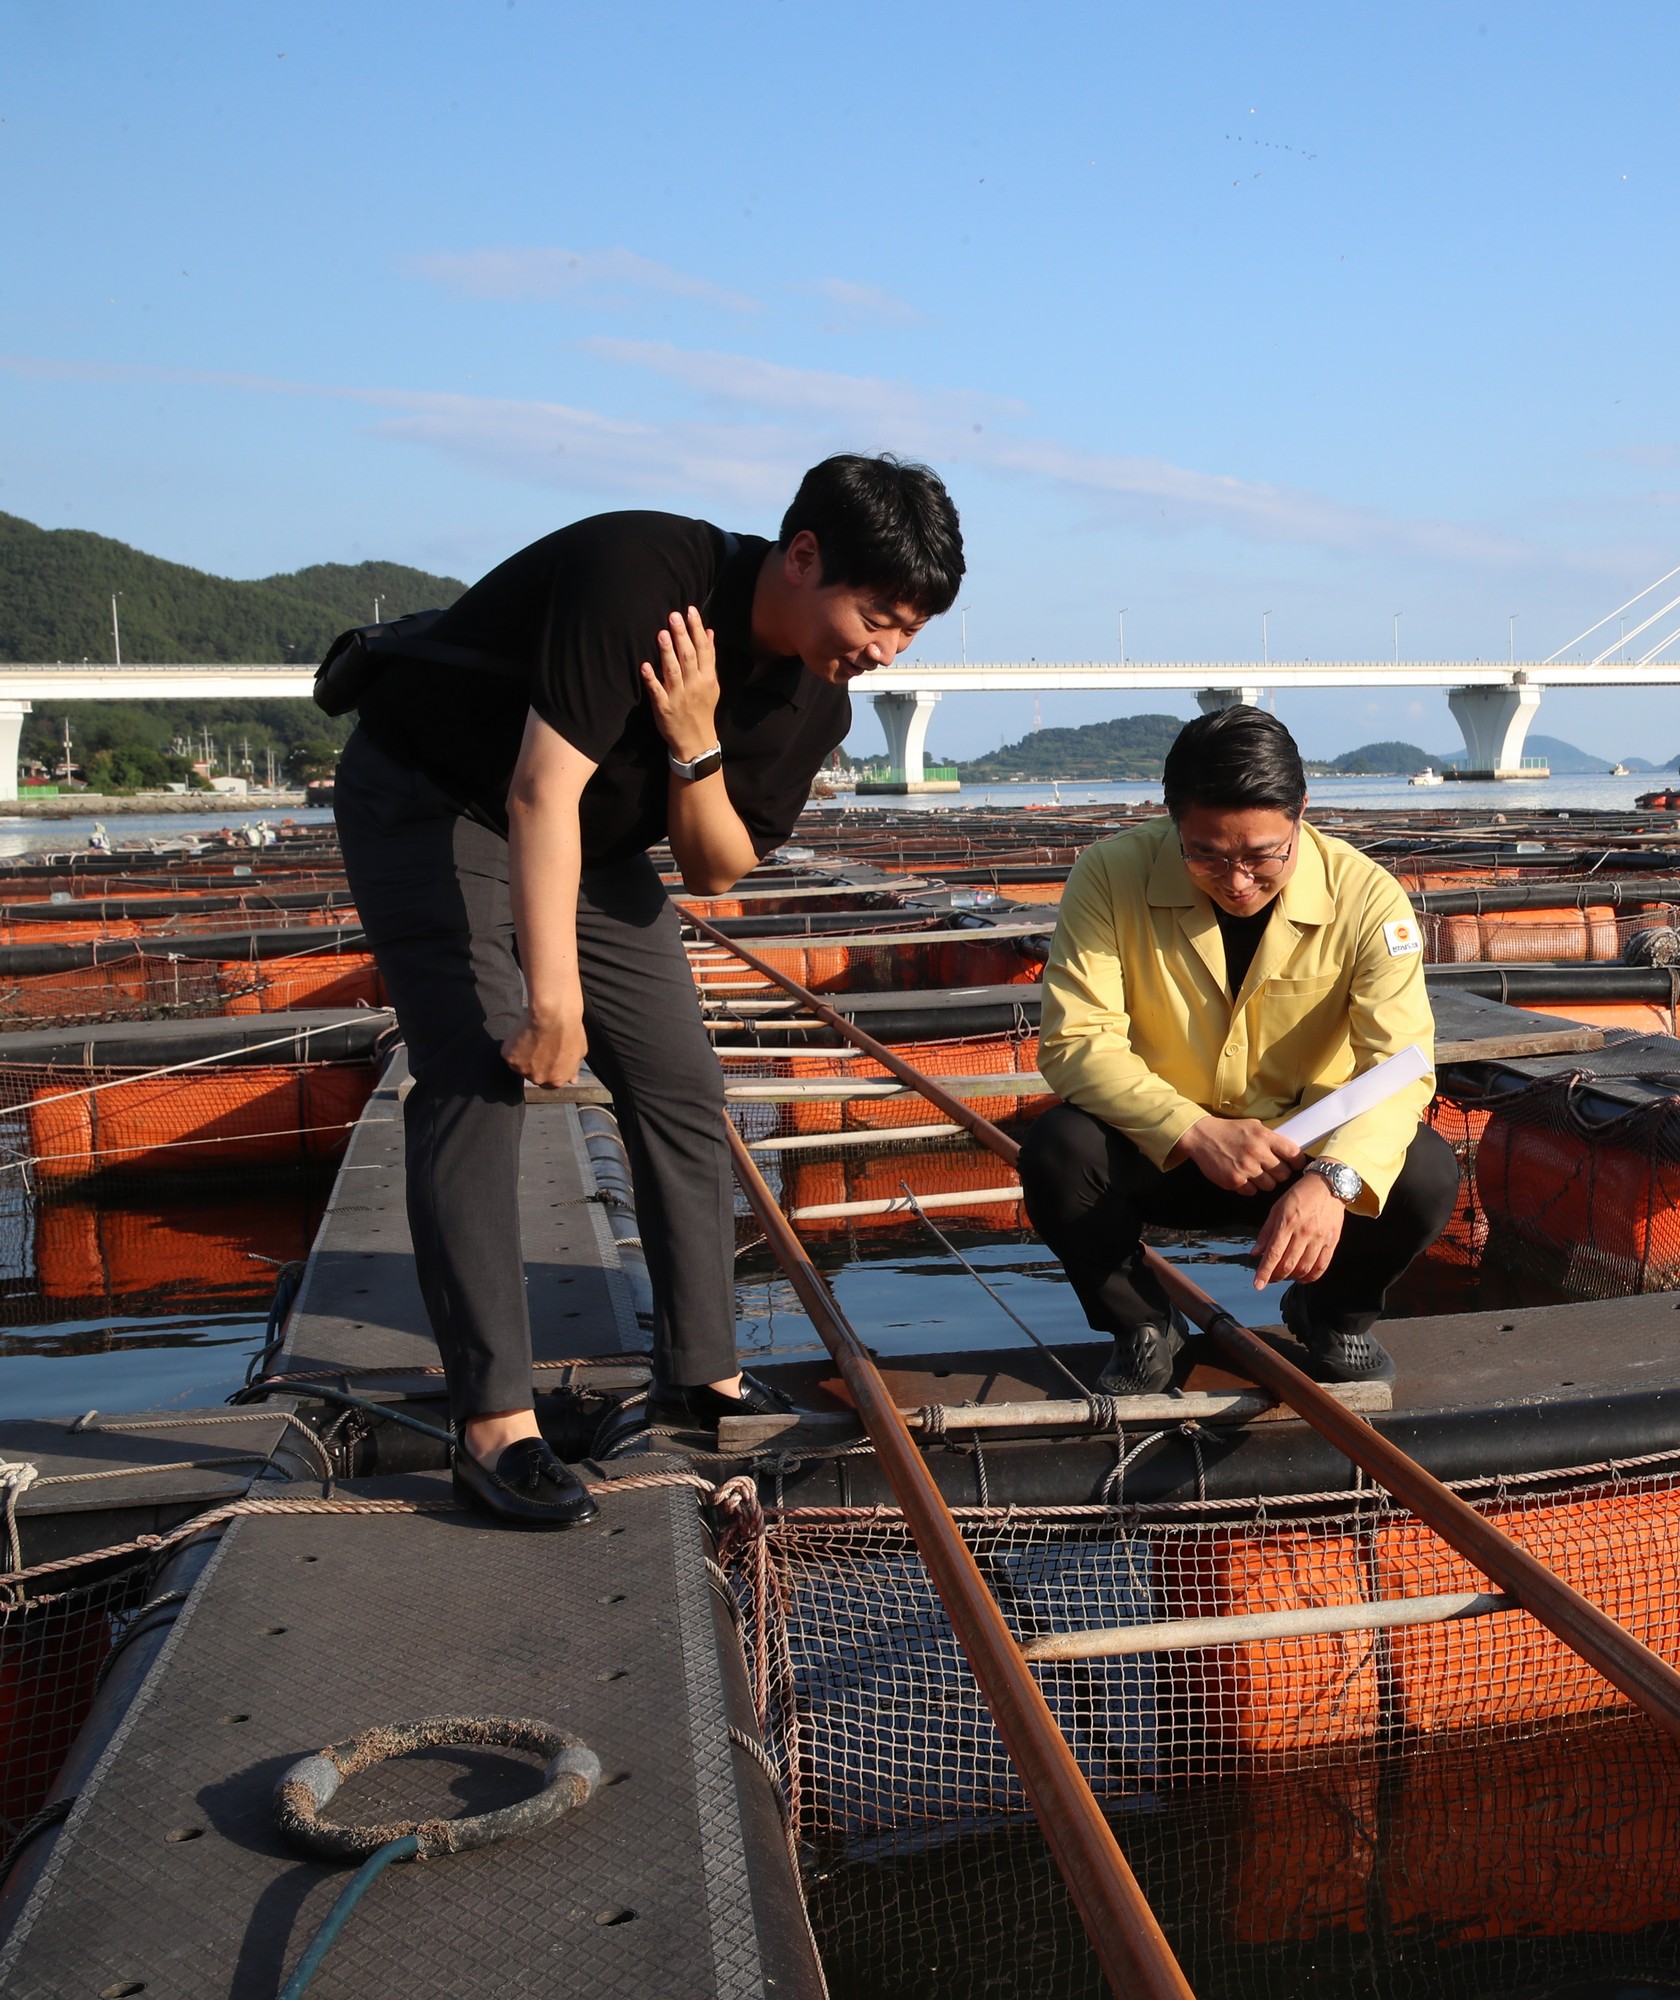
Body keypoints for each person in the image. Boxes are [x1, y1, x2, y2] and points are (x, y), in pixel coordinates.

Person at [333, 455, 963, 1527]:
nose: (886, 649)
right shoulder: (645, 570)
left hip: (589, 841)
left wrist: (695, 739)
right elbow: (539, 788)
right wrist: (554, 997)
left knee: (680, 1077)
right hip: (432, 794)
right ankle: (492, 1427)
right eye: (878, 614)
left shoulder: (818, 704)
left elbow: (715, 866)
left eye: (910, 631)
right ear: (803, 555)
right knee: (480, 1067)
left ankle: (698, 1376)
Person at [1028, 705, 1458, 1392]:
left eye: (1263, 855)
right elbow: (1078, 1042)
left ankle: (1332, 1315)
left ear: (1301, 814)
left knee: (1426, 1171)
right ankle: (1141, 1323)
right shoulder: (1108, 876)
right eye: (1206, 854)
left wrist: (1335, 1177)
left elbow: (1399, 1067)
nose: (1236, 881)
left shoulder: (1367, 896)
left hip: (1302, 1152)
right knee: (1057, 1150)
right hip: (1163, 1147)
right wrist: (1193, 1129)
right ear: (1172, 820)